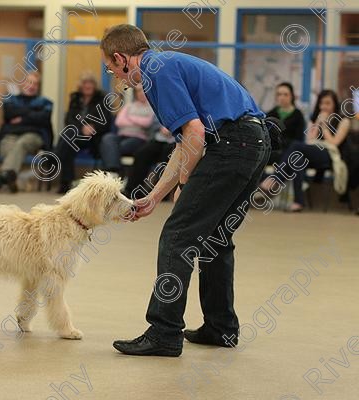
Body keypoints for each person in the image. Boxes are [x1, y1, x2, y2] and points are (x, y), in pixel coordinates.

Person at [101, 24, 270, 357]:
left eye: (110, 67)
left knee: (177, 236)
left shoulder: (154, 72)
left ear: (121, 58)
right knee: (215, 237)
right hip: (255, 142)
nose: (113, 75)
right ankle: (221, 328)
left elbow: (196, 134)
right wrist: (156, 194)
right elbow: (184, 143)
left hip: (233, 145)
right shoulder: (165, 65)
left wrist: (184, 184)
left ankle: (164, 332)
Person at [260, 90, 351, 212]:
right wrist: (318, 123)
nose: (324, 106)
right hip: (313, 153)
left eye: (327, 103)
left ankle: (275, 179)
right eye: (321, 103)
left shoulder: (344, 121)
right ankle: (299, 202)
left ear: (335, 104)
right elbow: (309, 141)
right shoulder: (315, 119)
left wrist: (324, 126)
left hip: (330, 155)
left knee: (295, 145)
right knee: (298, 160)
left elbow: (334, 143)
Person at [0, 71, 53, 193]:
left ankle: (3, 174)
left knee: (22, 143)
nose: (32, 86)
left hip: (34, 136)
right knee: (8, 145)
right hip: (11, 135)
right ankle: (11, 178)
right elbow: (8, 113)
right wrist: (32, 114)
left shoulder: (46, 102)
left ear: (38, 86)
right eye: (29, 82)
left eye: (35, 84)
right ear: (23, 84)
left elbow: (43, 118)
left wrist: (21, 117)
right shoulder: (11, 100)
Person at [54, 71, 112, 194]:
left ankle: (61, 174)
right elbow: (69, 119)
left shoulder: (102, 99)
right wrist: (81, 127)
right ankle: (66, 182)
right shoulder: (75, 98)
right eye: (85, 83)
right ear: (81, 85)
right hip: (76, 135)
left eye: (90, 83)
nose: (88, 86)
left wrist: (92, 127)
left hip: (94, 138)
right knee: (68, 139)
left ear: (94, 85)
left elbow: (106, 122)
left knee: (66, 139)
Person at [100, 85, 155, 174]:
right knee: (107, 138)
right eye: (138, 91)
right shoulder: (129, 106)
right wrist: (138, 120)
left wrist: (129, 117)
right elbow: (119, 121)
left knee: (115, 148)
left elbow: (147, 123)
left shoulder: (152, 107)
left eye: (143, 91)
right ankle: (114, 170)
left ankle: (113, 172)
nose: (141, 93)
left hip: (139, 138)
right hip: (122, 135)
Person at [123, 121, 175, 200]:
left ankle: (161, 193)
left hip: (176, 141)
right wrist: (160, 128)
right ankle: (132, 190)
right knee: (141, 154)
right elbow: (152, 124)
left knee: (168, 157)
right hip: (159, 140)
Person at [265, 82, 306, 162]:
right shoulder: (271, 114)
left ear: (292, 96)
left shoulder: (298, 115)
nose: (282, 97)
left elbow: (299, 139)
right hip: (273, 152)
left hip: (291, 151)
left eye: (285, 94)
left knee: (296, 160)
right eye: (279, 94)